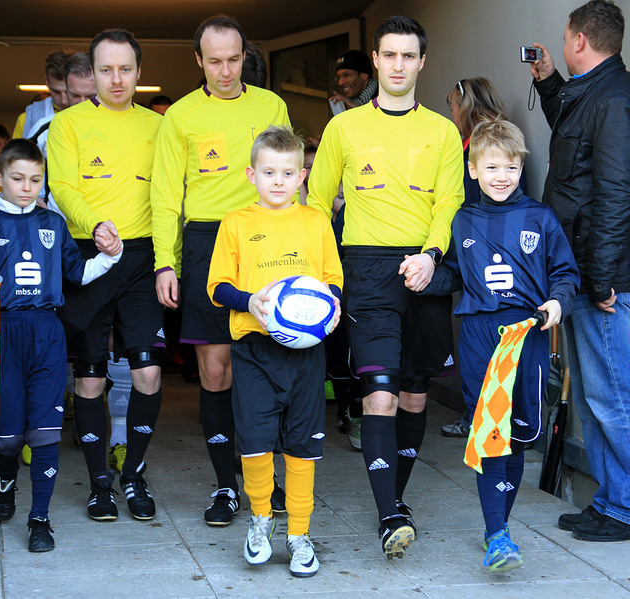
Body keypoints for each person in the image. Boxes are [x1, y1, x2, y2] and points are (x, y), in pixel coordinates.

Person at [307, 15, 464, 559]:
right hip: (366, 271)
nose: (398, 65)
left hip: (424, 269)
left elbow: (449, 202)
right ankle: (388, 513)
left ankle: (394, 496)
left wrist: (431, 255)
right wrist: (317, 273)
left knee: (415, 393)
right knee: (379, 392)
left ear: (422, 62)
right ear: (375, 60)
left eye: (408, 56)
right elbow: (314, 202)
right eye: (389, 55)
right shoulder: (343, 128)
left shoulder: (443, 131)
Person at [530, 0, 630, 542]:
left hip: (601, 276)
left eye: (565, 39)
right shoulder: (597, 92)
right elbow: (573, 128)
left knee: (613, 393)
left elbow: (616, 196)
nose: (563, 45)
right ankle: (614, 502)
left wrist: (603, 278)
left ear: (580, 39)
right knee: (592, 395)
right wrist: (546, 82)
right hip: (587, 271)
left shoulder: (615, 100)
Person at [151, 14, 291, 526]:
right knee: (215, 370)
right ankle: (226, 486)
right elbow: (165, 196)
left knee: (265, 367)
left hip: (263, 238)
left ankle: (266, 476)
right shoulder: (180, 116)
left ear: (244, 55)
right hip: (206, 241)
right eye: (215, 61)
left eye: (234, 59)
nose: (226, 70)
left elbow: (288, 177)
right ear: (198, 61)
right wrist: (166, 261)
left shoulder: (271, 105)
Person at [0, 139, 122, 553]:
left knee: (45, 431)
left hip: (47, 333)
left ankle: (39, 519)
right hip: (2, 334)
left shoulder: (53, 224)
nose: (27, 187)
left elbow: (77, 274)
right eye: (17, 178)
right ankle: (5, 482)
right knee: (8, 438)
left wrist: (110, 257)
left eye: (35, 179)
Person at [423, 119, 579, 571]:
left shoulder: (540, 218)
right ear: (472, 170)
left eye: (510, 167)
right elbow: (453, 273)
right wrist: (425, 277)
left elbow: (566, 274)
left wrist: (557, 303)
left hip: (525, 334)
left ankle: (499, 529)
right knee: (491, 432)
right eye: (491, 167)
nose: (501, 177)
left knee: (518, 436)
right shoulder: (461, 219)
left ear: (521, 167)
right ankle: (497, 535)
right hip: (477, 335)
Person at [207, 125, 342, 577]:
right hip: (253, 350)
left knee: (303, 445)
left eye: (288, 172)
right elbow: (217, 287)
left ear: (302, 176)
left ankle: (299, 534)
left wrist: (335, 304)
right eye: (269, 172)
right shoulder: (236, 223)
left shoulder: (316, 222)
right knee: (256, 440)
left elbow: (332, 278)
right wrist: (249, 301)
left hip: (306, 355)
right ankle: (261, 519)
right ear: (252, 174)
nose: (279, 181)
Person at [47, 29, 164, 523]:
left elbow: (170, 194)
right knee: (90, 380)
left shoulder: (161, 126)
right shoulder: (68, 123)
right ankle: (99, 485)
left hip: (141, 259)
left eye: (125, 69)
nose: (116, 79)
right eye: (106, 69)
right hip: (86, 256)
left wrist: (167, 261)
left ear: (139, 72)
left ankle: (133, 473)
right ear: (90, 74)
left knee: (149, 372)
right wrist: (94, 226)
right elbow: (62, 184)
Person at [440, 77, 515, 439]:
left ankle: (482, 422)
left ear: (467, 106)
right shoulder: (482, 141)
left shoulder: (487, 147)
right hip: (483, 257)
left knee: (487, 350)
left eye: (453, 106)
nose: (450, 113)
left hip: (488, 260)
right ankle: (484, 421)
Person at [12, 50, 73, 140]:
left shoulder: (95, 113)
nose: (63, 100)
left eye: (68, 92)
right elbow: (15, 154)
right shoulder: (26, 120)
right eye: (56, 92)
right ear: (47, 82)